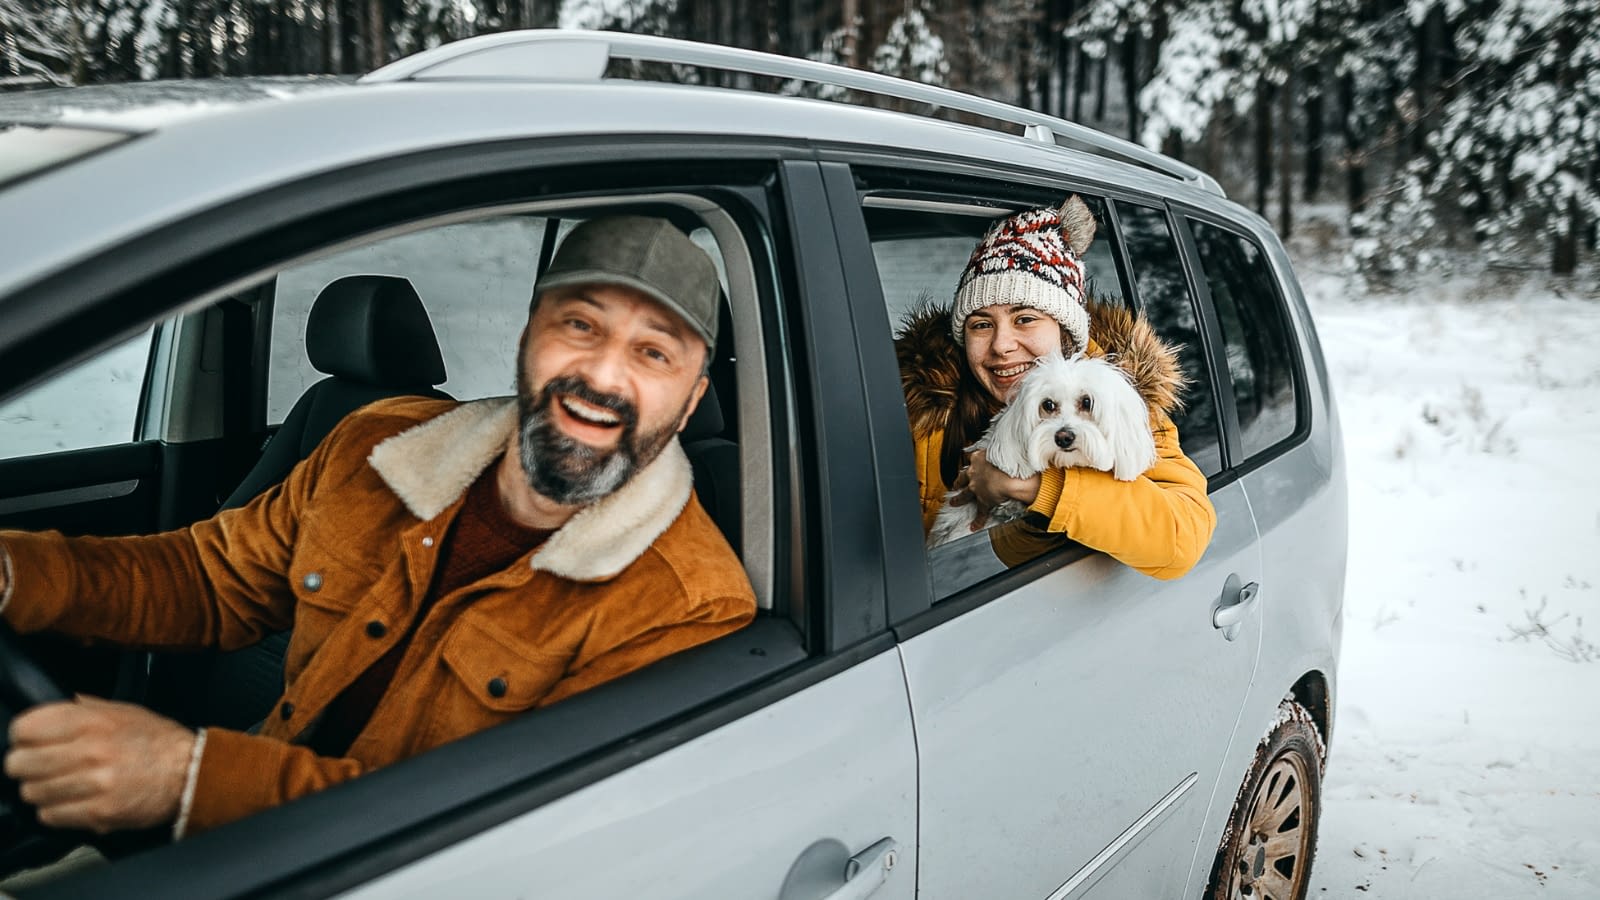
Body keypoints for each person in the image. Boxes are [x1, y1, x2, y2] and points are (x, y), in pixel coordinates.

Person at [0, 215, 757, 838]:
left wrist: (189, 780)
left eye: (653, 352)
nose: (601, 375)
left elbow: (508, 839)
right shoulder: (378, 444)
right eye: (580, 325)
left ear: (690, 404)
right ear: (528, 340)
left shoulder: (687, 607)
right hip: (238, 846)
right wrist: (18, 572)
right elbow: (209, 577)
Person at [896, 196, 1216, 578]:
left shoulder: (1116, 403)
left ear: (1065, 331)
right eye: (981, 324)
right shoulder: (908, 406)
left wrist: (1032, 487)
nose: (1001, 345)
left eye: (1025, 318)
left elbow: (1181, 539)